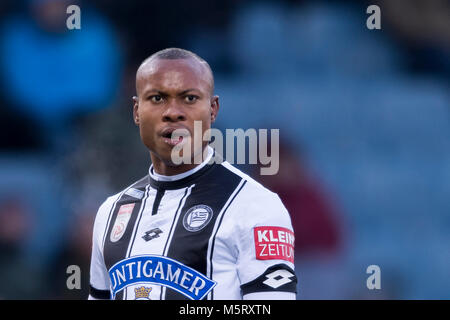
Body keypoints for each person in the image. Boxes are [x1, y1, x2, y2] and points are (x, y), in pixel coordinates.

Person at [88, 48, 297, 300]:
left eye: (189, 98)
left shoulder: (256, 206)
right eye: (157, 98)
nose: (173, 112)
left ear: (212, 110)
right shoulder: (110, 213)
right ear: (136, 112)